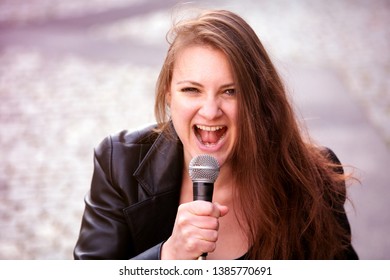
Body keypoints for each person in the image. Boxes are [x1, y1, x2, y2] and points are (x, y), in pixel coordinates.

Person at [73, 9, 358, 260]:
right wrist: (168, 257)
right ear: (168, 95)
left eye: (230, 91)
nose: (210, 111)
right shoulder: (118, 162)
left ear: (257, 99)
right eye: (191, 90)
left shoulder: (312, 180)